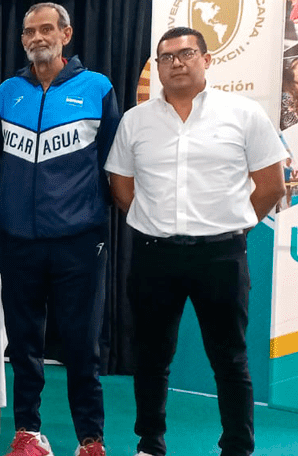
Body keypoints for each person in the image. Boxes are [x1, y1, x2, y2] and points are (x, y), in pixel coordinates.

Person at [106, 27, 286, 456]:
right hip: (154, 255)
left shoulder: (243, 114)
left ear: (207, 60)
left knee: (230, 360)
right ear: (158, 67)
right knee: (151, 359)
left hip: (220, 255)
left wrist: (233, 226)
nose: (177, 63)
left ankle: (238, 447)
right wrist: (151, 223)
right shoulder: (136, 121)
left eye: (186, 53)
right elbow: (121, 185)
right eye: (166, 57)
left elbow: (271, 185)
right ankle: (150, 443)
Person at [0, 3, 121, 455]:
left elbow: (113, 161)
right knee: (24, 345)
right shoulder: (8, 90)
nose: (36, 37)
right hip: (19, 240)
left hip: (78, 240)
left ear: (66, 34)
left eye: (46, 29)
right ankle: (27, 433)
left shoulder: (97, 87)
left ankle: (91, 440)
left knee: (81, 346)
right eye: (29, 31)